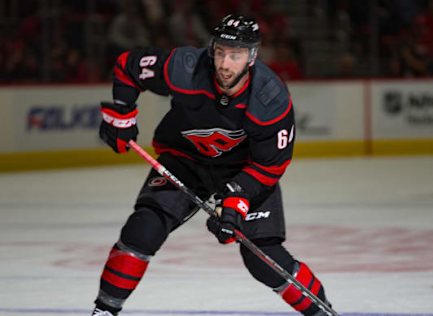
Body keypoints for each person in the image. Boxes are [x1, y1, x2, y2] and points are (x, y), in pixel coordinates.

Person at [93, 14, 332, 316]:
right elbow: (129, 66)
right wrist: (121, 115)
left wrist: (236, 199)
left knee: (262, 258)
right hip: (184, 159)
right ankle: (103, 311)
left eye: (235, 55)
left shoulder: (269, 99)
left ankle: (322, 313)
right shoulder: (187, 68)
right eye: (220, 52)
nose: (224, 63)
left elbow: (269, 166)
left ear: (252, 57)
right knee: (143, 229)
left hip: (243, 170)